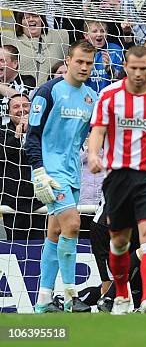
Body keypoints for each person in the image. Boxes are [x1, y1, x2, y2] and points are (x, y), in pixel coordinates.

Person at [87, 45, 146, 314]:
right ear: (125, 67)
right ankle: (122, 293)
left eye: (143, 68)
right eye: (133, 68)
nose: (138, 74)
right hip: (117, 177)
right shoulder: (109, 96)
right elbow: (98, 130)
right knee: (119, 243)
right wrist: (94, 154)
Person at [24, 40, 98, 313]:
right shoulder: (48, 91)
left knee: (55, 232)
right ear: (68, 61)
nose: (84, 67)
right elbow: (31, 137)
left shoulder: (91, 97)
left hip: (72, 172)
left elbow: (97, 135)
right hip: (49, 172)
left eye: (89, 63)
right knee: (73, 224)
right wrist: (39, 170)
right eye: (79, 61)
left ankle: (43, 300)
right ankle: (70, 296)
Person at [0, 94, 46, 240]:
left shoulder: (43, 130)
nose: (22, 110)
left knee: (39, 246)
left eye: (25, 106)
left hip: (39, 200)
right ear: (8, 113)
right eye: (16, 107)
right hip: (12, 202)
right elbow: (2, 155)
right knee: (15, 247)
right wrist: (18, 133)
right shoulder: (2, 131)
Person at [3, 12, 69, 86]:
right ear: (20, 22)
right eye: (26, 17)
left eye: (35, 16)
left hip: (51, 92)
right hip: (20, 92)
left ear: (42, 20)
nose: (31, 19)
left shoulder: (60, 36)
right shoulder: (8, 37)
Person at [0, 45, 37, 126]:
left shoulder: (28, 81)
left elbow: (22, 99)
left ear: (15, 64)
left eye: (2, 61)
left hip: (17, 133)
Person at [83, 20, 123, 92]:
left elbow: (121, 78)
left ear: (107, 34)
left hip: (110, 96)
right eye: (94, 31)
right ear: (86, 35)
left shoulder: (116, 50)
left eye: (102, 31)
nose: (99, 34)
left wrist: (110, 69)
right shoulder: (81, 52)